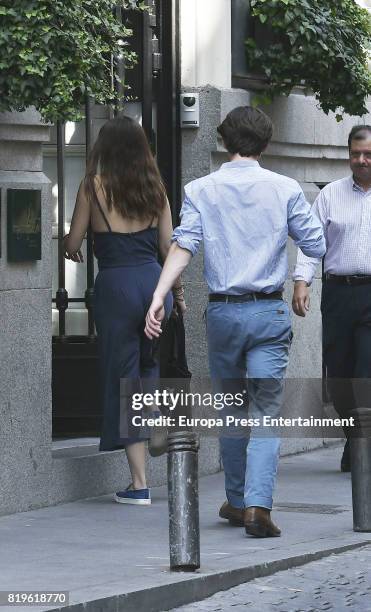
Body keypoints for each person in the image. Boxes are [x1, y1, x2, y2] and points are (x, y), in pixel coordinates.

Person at [145, 106, 326, 537]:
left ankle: (238, 499)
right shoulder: (285, 188)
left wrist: (159, 294)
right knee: (265, 409)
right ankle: (258, 507)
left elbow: (183, 244)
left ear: (224, 141)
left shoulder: (200, 189)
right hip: (267, 311)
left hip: (224, 311)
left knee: (230, 408)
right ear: (265, 144)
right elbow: (315, 241)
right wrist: (300, 277)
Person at [63, 116, 184, 505]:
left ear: (105, 148)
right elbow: (169, 248)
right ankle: (156, 419)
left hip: (117, 287)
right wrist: (176, 294)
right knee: (148, 365)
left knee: (123, 377)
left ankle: (139, 484)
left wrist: (69, 244)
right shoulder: (156, 190)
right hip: (154, 284)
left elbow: (75, 239)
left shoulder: (92, 188)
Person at [293, 125, 371, 473]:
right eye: (356, 154)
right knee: (338, 376)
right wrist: (301, 281)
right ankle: (353, 437)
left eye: (368, 154)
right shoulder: (330, 195)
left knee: (364, 373)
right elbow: (311, 242)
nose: (361, 160)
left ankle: (362, 446)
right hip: (338, 293)